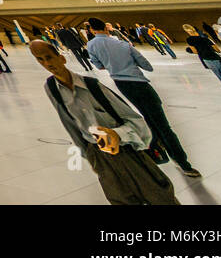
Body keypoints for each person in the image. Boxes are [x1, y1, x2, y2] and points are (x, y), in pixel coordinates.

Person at [29, 40, 178, 205]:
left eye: (49, 57)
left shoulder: (92, 86)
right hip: (99, 156)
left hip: (127, 151)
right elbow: (70, 125)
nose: (47, 63)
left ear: (61, 57)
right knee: (120, 199)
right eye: (40, 59)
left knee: (159, 196)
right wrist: (88, 155)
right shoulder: (51, 88)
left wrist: (116, 135)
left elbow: (137, 123)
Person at [85, 18, 200, 178]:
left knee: (147, 118)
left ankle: (155, 150)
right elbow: (147, 66)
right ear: (106, 28)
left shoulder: (91, 45)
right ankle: (182, 162)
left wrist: (113, 64)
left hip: (122, 84)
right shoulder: (123, 45)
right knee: (162, 124)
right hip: (139, 83)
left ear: (91, 30)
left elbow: (98, 65)